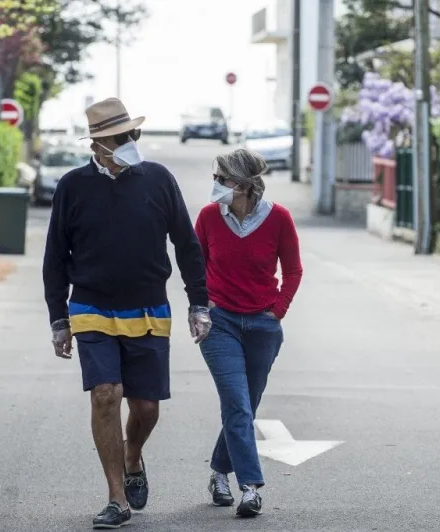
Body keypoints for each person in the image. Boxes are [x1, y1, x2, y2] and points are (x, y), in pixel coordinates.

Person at [43, 97, 212, 529]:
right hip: (91, 306)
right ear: (97, 145)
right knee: (106, 394)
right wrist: (58, 318)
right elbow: (55, 257)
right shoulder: (72, 186)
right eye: (118, 138)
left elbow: (187, 245)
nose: (127, 142)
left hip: (149, 306)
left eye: (130, 135)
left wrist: (198, 302)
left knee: (147, 408)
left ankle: (133, 454)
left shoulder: (158, 180)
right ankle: (116, 497)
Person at [194, 149, 303, 518]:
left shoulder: (279, 219)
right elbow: (195, 267)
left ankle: (218, 473)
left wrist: (277, 312)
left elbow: (293, 272)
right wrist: (201, 308)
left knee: (245, 407)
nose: (216, 185)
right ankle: (251, 488)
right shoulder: (209, 217)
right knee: (238, 405)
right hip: (220, 323)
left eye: (221, 178)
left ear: (241, 184)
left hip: (262, 325)